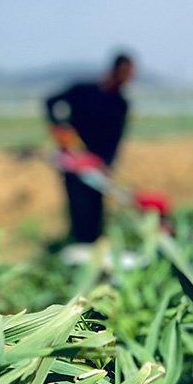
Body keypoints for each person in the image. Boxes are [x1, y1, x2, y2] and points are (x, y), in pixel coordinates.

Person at [45, 53, 134, 256]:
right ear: (117, 70)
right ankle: (78, 252)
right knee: (78, 209)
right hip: (74, 162)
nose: (129, 79)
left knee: (96, 212)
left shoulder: (121, 104)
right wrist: (59, 128)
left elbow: (115, 141)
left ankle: (94, 255)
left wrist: (107, 165)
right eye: (128, 73)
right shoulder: (83, 90)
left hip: (97, 167)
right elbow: (50, 101)